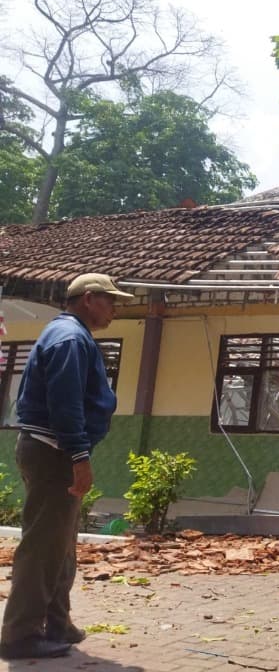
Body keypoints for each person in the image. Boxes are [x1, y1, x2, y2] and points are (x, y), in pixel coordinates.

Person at [0, 273, 134, 661]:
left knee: (60, 544)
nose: (115, 309)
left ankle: (57, 622)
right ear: (89, 299)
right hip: (54, 452)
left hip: (52, 449)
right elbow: (65, 404)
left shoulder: (70, 334)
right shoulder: (71, 339)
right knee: (43, 546)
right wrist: (79, 456)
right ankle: (20, 634)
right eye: (110, 301)